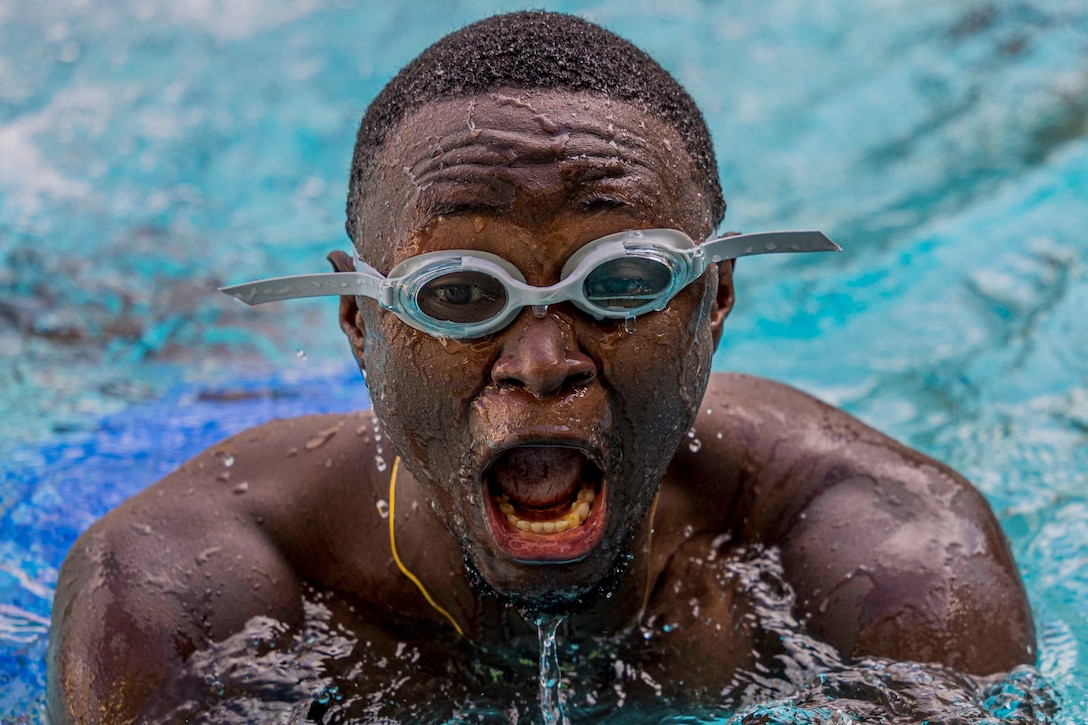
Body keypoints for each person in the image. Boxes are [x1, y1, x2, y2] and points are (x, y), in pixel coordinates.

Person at [47, 11, 1035, 723]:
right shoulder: (188, 591)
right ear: (356, 319)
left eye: (623, 282)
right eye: (459, 294)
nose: (541, 359)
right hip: (131, 439)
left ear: (714, 300)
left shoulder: (886, 553)